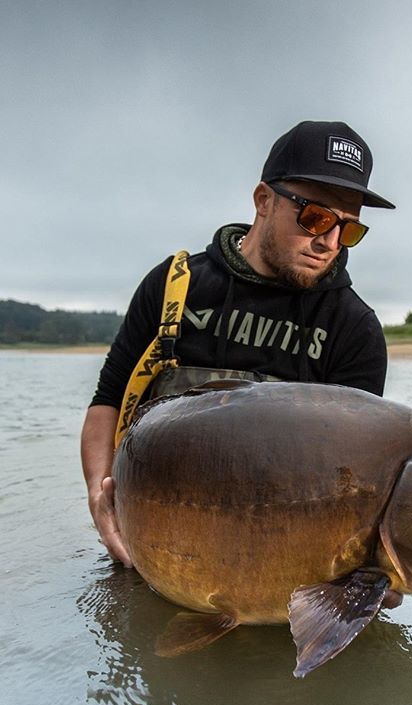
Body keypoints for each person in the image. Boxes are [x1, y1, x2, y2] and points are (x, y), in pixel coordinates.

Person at [81, 120, 395, 568]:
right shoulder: (176, 287)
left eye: (348, 230)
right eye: (316, 217)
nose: (328, 243)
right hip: (148, 547)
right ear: (264, 200)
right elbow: (108, 399)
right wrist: (99, 494)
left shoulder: (354, 330)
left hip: (278, 557)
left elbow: (358, 476)